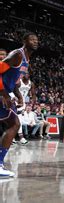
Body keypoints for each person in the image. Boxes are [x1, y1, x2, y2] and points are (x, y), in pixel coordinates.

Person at [0, 32, 38, 177]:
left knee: (13, 124)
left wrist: (19, 95)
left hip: (6, 93)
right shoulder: (17, 55)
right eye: (32, 39)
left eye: (36, 40)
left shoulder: (26, 60)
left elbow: (14, 80)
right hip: (1, 93)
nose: (35, 41)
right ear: (24, 41)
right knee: (14, 124)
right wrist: (3, 94)